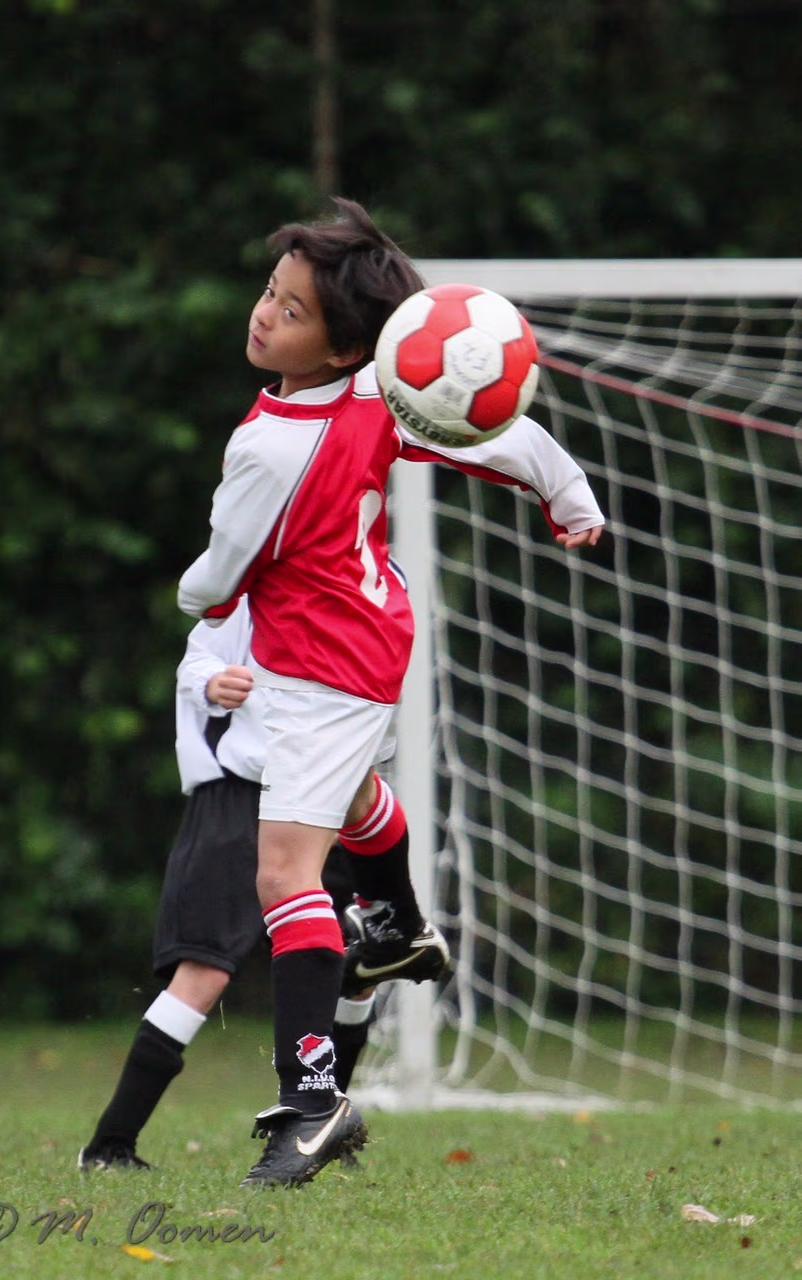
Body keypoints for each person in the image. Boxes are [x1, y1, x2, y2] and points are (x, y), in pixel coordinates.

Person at [177, 197, 604, 1188]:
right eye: (270, 292)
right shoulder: (378, 395)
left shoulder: (271, 448)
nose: (263, 313)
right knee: (354, 799)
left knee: (285, 876)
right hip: (357, 645)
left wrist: (194, 597)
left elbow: (219, 573)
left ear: (341, 348)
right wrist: (567, 493)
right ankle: (396, 923)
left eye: (290, 310)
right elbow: (491, 435)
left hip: (325, 667)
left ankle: (312, 1101)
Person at [78, 602, 390, 1171]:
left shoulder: (368, 594)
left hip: (330, 797)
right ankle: (110, 1145)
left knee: (356, 965)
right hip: (241, 796)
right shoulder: (253, 591)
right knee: (203, 971)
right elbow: (197, 660)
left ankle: (321, 1127)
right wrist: (212, 683)